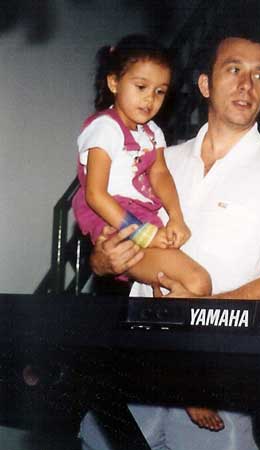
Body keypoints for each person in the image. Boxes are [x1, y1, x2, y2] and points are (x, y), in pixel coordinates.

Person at [78, 33, 260, 450]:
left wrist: (203, 310)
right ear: (205, 84)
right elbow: (108, 232)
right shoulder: (158, 159)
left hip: (215, 381)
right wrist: (101, 261)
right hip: (135, 368)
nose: (247, 84)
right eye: (234, 69)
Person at [72, 34, 211, 296]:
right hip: (115, 222)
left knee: (192, 286)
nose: (150, 99)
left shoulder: (152, 132)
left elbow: (159, 173)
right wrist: (143, 235)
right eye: (141, 87)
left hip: (142, 217)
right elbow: (95, 195)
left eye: (160, 91)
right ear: (114, 82)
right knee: (198, 283)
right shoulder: (105, 128)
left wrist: (176, 218)